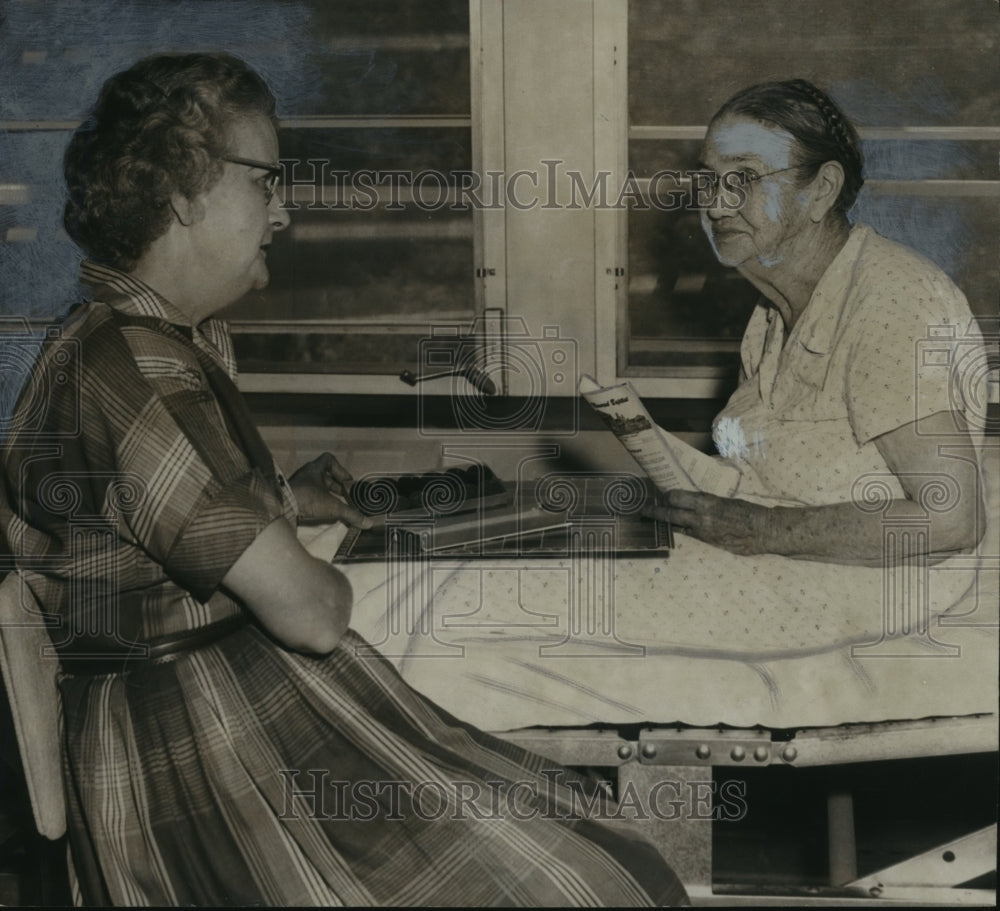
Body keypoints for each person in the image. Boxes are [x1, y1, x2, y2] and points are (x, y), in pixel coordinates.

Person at [0, 53, 687, 906]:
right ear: (181, 193)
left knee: (585, 835)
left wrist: (285, 501)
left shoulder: (126, 338)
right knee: (611, 879)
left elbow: (147, 521)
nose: (283, 211)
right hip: (190, 752)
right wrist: (301, 557)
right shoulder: (133, 362)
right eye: (266, 182)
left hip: (197, 706)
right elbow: (313, 614)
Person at [647, 79, 987, 570]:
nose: (716, 206)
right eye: (709, 179)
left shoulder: (892, 302)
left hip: (877, 598)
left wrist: (761, 529)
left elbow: (953, 521)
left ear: (821, 191)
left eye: (744, 177)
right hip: (785, 575)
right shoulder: (772, 311)